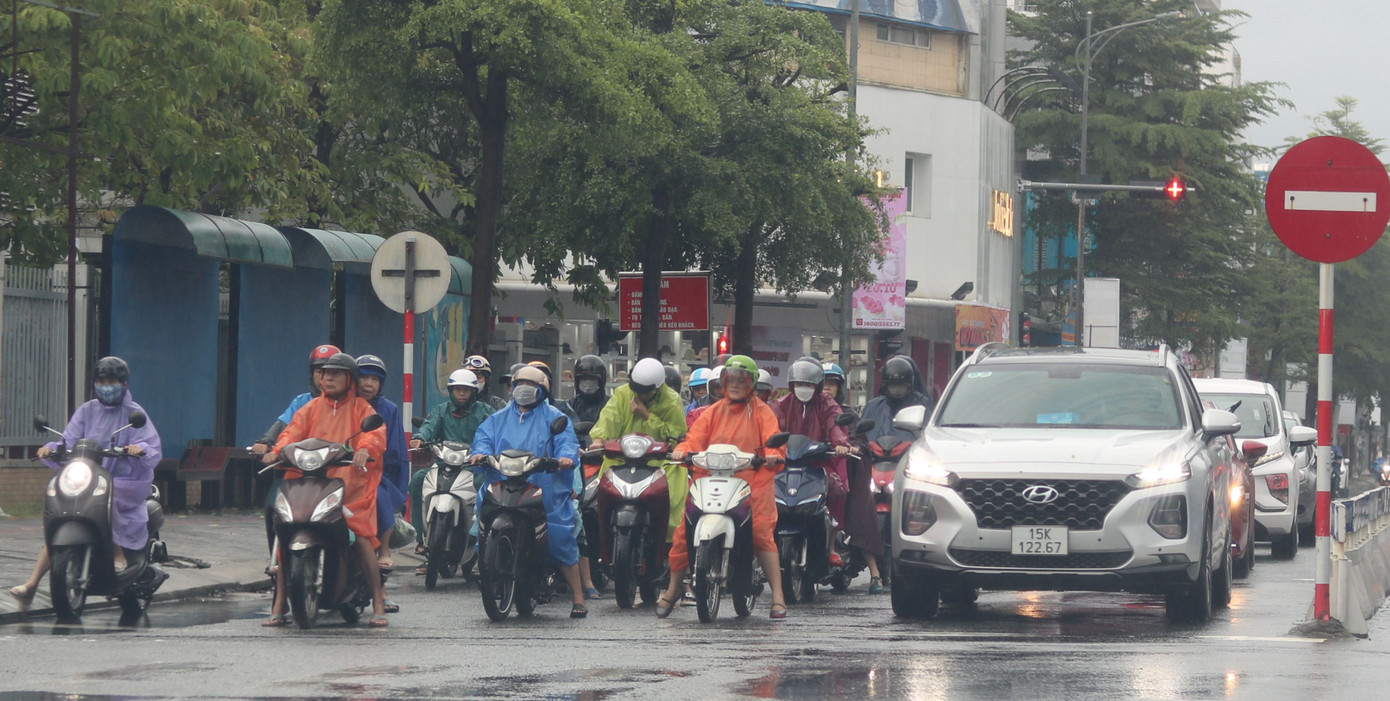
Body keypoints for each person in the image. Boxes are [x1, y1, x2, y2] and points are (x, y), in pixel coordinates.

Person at [12, 357, 163, 600]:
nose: (107, 385)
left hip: (124, 480)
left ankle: (118, 555)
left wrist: (137, 448)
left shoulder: (133, 413)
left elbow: (150, 444)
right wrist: (51, 448)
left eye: (112, 381)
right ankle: (32, 582)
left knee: (108, 500)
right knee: (64, 514)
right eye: (102, 381)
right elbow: (69, 439)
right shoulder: (87, 410)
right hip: (88, 476)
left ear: (124, 384)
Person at [657, 355, 789, 620]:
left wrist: (773, 454)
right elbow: (693, 439)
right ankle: (672, 589)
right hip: (711, 478)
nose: (735, 386)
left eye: (742, 381)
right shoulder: (712, 412)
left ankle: (778, 596)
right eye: (731, 381)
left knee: (762, 531)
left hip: (752, 481)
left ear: (751, 384)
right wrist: (682, 451)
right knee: (684, 531)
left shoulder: (762, 412)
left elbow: (774, 444)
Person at [262, 353, 389, 627]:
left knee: (362, 534)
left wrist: (365, 448)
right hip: (308, 479)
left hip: (350, 483)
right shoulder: (309, 408)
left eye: (335, 374)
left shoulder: (362, 409)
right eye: (324, 373)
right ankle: (280, 601)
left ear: (350, 380)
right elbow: (290, 434)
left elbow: (374, 434)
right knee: (287, 529)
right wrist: (276, 451)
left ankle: (378, 599)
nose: (328, 378)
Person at [469, 366, 589, 618]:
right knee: (483, 516)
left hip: (544, 484)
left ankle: (578, 597)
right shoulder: (498, 417)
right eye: (518, 384)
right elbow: (483, 438)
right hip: (503, 480)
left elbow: (566, 444)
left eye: (529, 385)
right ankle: (487, 564)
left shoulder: (555, 417)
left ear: (542, 390)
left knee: (558, 537)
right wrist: (479, 453)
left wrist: (565, 458)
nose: (522, 390)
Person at [587, 358, 688, 553]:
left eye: (645, 391)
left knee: (674, 497)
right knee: (592, 503)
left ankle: (669, 546)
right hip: (621, 459)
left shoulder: (672, 400)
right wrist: (599, 439)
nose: (640, 395)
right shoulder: (622, 394)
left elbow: (676, 436)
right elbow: (609, 418)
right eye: (637, 389)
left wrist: (647, 417)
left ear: (658, 388)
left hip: (658, 462)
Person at [409, 368, 493, 569]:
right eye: (457, 390)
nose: (462, 394)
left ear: (474, 391)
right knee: (418, 480)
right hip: (444, 464)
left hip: (474, 467)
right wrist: (420, 438)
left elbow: (494, 431)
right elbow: (429, 426)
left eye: (466, 390)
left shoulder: (486, 412)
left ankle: (480, 534)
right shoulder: (441, 410)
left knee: (486, 487)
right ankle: (421, 537)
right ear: (451, 391)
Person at [356, 355, 409, 579]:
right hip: (342, 469)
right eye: (364, 378)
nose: (368, 384)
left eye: (374, 380)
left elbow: (394, 449)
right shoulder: (345, 404)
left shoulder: (388, 409)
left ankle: (384, 549)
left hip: (378, 471)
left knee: (380, 496)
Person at [861, 355, 934, 445]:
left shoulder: (923, 406)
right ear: (885, 385)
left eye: (901, 386)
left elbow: (931, 435)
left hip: (910, 455)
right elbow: (861, 437)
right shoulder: (873, 406)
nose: (897, 391)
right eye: (893, 386)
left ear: (910, 384)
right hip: (876, 456)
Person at [570, 355, 610, 426]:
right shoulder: (572, 404)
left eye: (591, 379)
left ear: (601, 381)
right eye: (584, 379)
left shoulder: (610, 404)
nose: (588, 383)